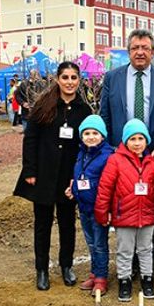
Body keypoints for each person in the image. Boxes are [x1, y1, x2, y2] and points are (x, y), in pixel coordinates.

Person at [99, 30, 154, 279]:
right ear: (128, 51)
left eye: (145, 47)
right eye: (135, 48)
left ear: (153, 51)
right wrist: (111, 148)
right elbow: (105, 115)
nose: (140, 52)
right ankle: (131, 263)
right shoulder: (112, 78)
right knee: (127, 206)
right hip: (122, 155)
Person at [13, 62, 91, 290]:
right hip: (44, 174)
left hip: (69, 176)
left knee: (67, 223)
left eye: (73, 77)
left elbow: (86, 144)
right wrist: (30, 170)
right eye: (65, 77)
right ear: (57, 79)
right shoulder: (43, 105)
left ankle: (66, 266)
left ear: (79, 80)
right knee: (43, 224)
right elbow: (31, 139)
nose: (69, 82)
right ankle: (42, 270)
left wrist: (80, 175)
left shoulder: (83, 110)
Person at [94, 119, 154, 302]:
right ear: (125, 141)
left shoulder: (152, 163)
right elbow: (105, 188)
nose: (137, 143)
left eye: (141, 138)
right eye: (132, 139)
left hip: (146, 215)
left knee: (146, 249)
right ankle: (125, 280)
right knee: (125, 250)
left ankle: (148, 279)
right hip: (124, 215)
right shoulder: (115, 160)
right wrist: (103, 212)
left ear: (146, 141)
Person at [66, 114, 114, 293]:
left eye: (95, 133)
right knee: (91, 243)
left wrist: (107, 208)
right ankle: (94, 273)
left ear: (102, 135)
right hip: (84, 207)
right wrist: (74, 190)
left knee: (100, 244)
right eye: (86, 133)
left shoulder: (108, 156)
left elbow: (108, 185)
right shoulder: (82, 154)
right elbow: (80, 177)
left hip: (99, 209)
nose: (91, 137)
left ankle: (101, 277)